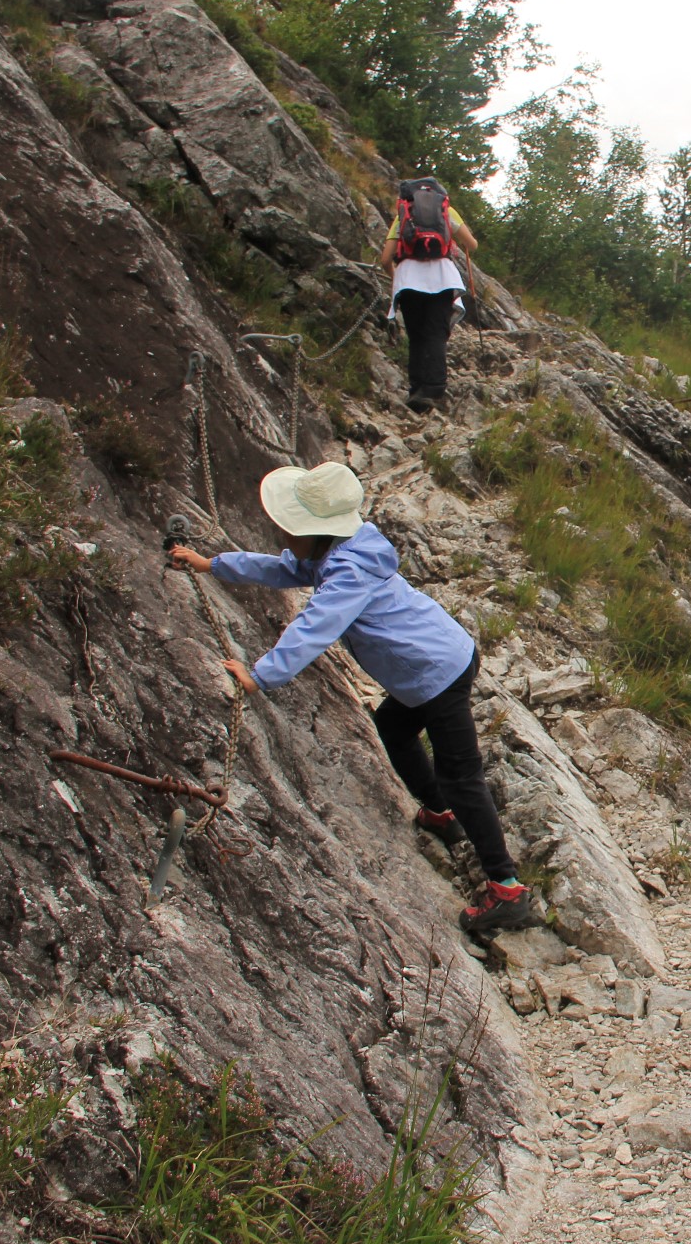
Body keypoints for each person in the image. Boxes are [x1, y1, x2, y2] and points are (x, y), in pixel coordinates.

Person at [168, 461, 533, 933]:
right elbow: (282, 569)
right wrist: (212, 564)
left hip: (439, 673)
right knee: (395, 729)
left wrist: (259, 676)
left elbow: (314, 627)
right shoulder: (341, 552)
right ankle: (440, 813)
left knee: (462, 776)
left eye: (289, 526)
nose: (282, 531)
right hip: (431, 664)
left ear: (315, 530)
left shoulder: (346, 574)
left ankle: (507, 888)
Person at [378, 165, 480, 415]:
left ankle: (416, 389)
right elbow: (472, 245)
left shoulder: (404, 214)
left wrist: (396, 279)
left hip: (408, 279)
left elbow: (385, 258)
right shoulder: (447, 212)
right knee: (436, 333)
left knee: (416, 335)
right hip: (442, 278)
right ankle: (434, 390)